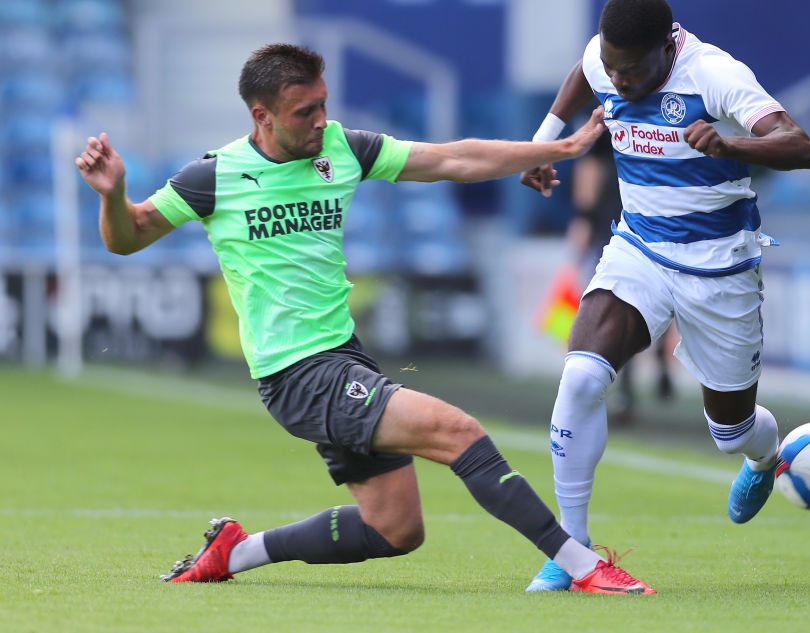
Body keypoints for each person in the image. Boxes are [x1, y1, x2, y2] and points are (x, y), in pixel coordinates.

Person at [74, 43, 654, 595]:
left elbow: (452, 157)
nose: (321, 119)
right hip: (295, 374)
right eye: (305, 111)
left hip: (344, 356)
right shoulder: (214, 177)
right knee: (458, 432)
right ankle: (581, 565)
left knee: (395, 529)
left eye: (324, 103)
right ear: (262, 116)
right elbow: (127, 237)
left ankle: (235, 551)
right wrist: (113, 193)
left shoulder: (341, 149)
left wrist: (558, 149)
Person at [519, 0, 810, 592]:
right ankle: (573, 553)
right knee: (580, 376)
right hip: (640, 249)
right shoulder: (606, 59)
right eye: (613, 67)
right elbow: (583, 71)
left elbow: (800, 146)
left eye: (633, 70)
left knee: (729, 431)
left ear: (667, 46)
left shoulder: (715, 74)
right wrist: (545, 140)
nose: (620, 82)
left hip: (721, 267)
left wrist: (731, 143)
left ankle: (764, 453)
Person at [566, 133, 675, 425]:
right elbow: (589, 163)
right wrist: (584, 217)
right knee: (620, 307)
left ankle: (660, 359)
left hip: (658, 221)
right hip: (616, 224)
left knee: (657, 300)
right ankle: (625, 388)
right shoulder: (610, 109)